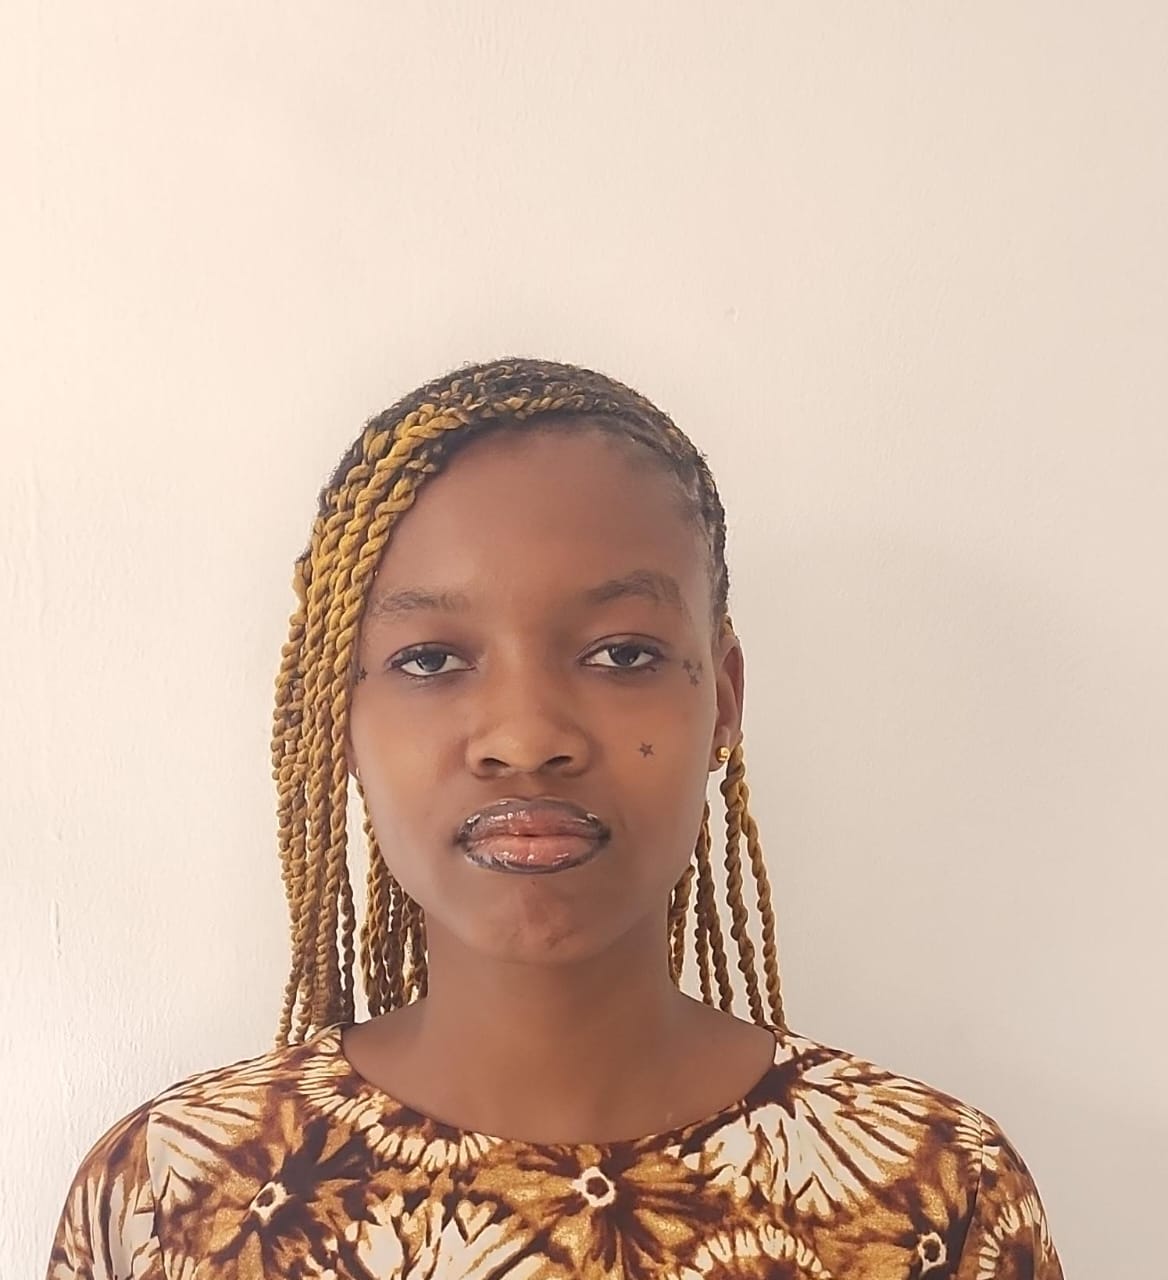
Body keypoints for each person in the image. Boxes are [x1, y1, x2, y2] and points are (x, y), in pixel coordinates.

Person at [47, 358, 1063, 1279]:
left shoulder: (932, 1187)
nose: (526, 737)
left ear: (722, 701)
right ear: (339, 718)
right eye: (431, 659)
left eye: (622, 653)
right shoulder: (172, 1194)